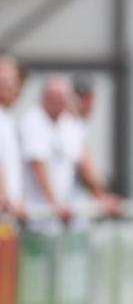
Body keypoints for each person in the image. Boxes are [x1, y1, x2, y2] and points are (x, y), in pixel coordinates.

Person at [19, 76, 77, 231]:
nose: (59, 102)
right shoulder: (33, 120)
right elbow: (37, 165)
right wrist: (55, 204)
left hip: (57, 215)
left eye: (63, 98)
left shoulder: (67, 122)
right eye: (55, 98)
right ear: (45, 97)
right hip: (37, 216)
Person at [65, 73, 121, 218]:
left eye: (90, 97)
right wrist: (102, 196)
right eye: (83, 97)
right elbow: (85, 165)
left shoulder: (74, 125)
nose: (88, 103)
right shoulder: (69, 124)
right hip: (60, 216)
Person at [0, 56, 26, 220]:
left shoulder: (7, 119)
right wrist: (3, 194)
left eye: (12, 82)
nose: (9, 86)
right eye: (4, 81)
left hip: (9, 213)